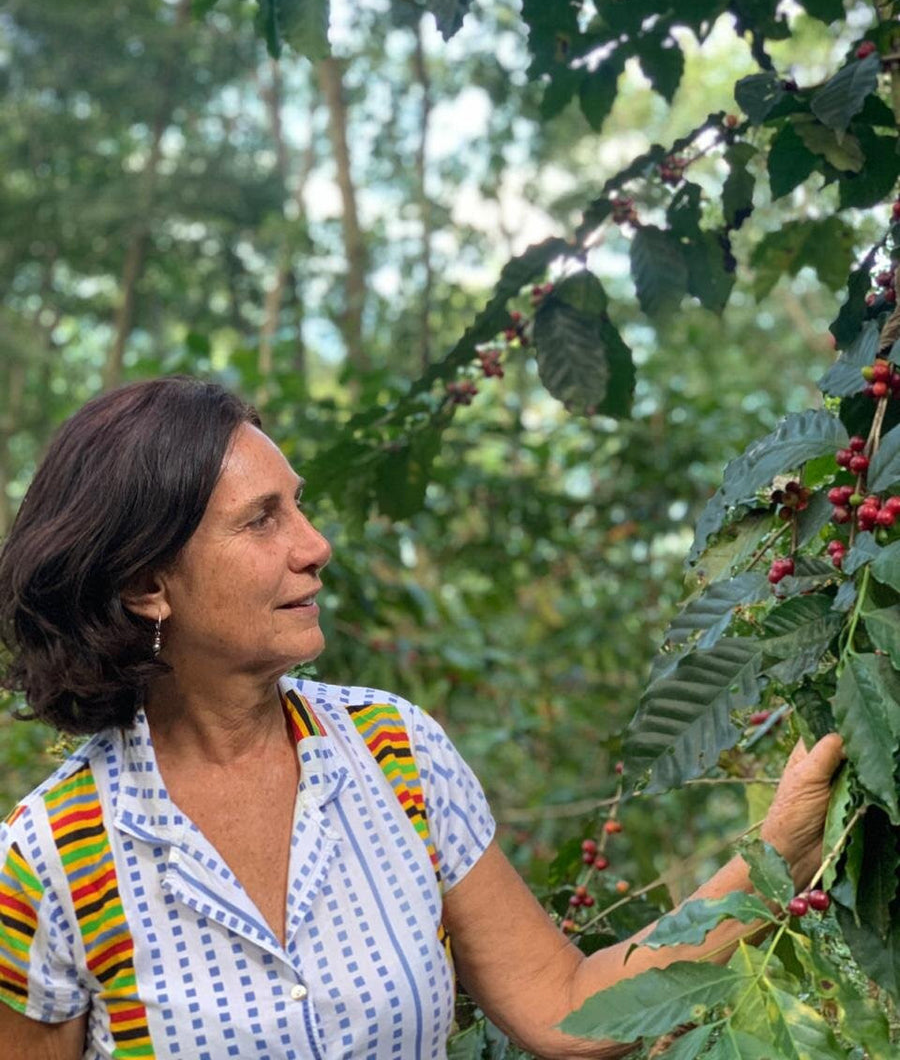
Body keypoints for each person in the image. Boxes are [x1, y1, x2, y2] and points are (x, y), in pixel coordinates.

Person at [0, 377, 844, 1060]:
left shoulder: (394, 751)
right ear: (149, 584)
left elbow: (565, 1006)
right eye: (262, 520)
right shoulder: (50, 860)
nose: (315, 543)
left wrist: (782, 848)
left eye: (298, 506)